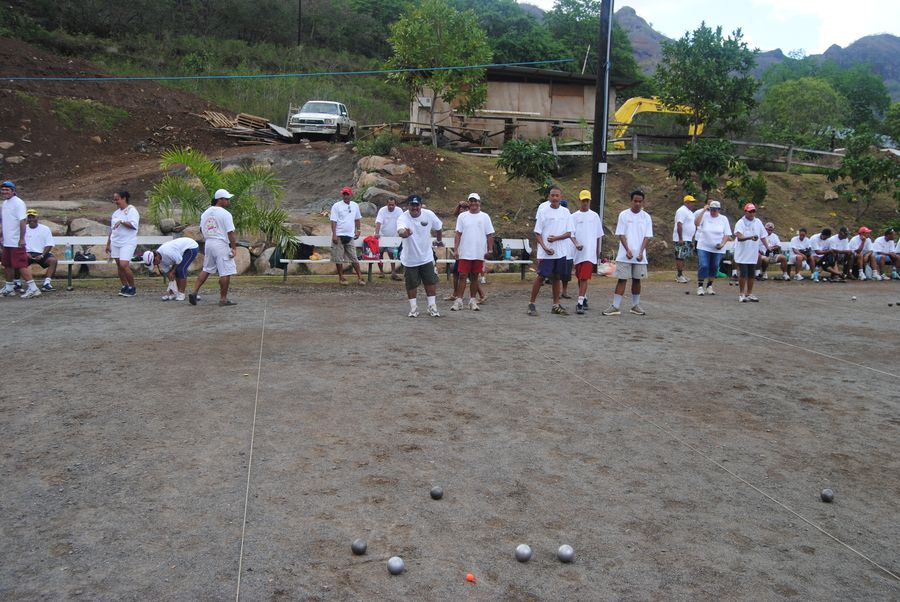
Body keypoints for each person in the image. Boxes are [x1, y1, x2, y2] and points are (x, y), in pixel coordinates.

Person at [602, 190, 653, 316]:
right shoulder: (624, 215)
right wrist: (628, 250)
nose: (637, 203)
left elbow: (647, 236)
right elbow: (621, 234)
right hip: (625, 255)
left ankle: (635, 305)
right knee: (622, 279)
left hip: (640, 256)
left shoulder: (646, 217)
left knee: (637, 280)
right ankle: (615, 306)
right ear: (631, 201)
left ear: (643, 202)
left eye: (640, 201)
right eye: (635, 201)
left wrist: (641, 252)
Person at [528, 186, 574, 316]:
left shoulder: (566, 212)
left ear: (561, 197)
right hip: (546, 252)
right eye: (552, 195)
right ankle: (531, 303)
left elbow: (569, 233)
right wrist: (544, 247)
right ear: (549, 197)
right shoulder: (543, 211)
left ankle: (556, 304)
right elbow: (537, 233)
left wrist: (556, 238)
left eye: (557, 196)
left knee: (557, 276)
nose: (554, 198)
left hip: (560, 252)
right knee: (541, 276)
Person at [189, 189, 238, 307]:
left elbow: (201, 229)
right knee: (225, 272)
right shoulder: (226, 214)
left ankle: (194, 292)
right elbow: (230, 232)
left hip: (209, 243)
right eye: (226, 199)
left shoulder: (205, 213)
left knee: (206, 268)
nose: (228, 201)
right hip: (220, 243)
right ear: (219, 199)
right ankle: (223, 299)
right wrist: (234, 247)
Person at [396, 194, 443, 317]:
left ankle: (432, 306)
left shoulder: (429, 214)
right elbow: (400, 231)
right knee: (411, 284)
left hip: (426, 256)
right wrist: (405, 233)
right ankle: (413, 308)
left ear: (421, 205)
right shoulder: (403, 217)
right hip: (410, 258)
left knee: (430, 282)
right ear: (408, 206)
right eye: (412, 205)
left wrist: (438, 240)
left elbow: (438, 227)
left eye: (417, 205)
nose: (415, 208)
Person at [451, 192, 494, 311]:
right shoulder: (462, 216)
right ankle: (458, 300)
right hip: (465, 251)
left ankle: (472, 300)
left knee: (475, 277)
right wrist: (456, 249)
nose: (473, 203)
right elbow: (458, 234)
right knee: (462, 275)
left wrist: (490, 249)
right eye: (471, 201)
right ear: (468, 203)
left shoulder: (485, 217)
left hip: (479, 251)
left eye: (476, 201)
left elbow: (489, 234)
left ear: (479, 202)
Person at [1, 181, 41, 298]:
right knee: (7, 264)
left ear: (13, 191)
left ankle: (33, 288)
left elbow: (22, 221)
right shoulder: (5, 203)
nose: (4, 192)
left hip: (16, 241)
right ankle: (9, 288)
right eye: (3, 190)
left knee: (20, 265)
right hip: (7, 241)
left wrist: (22, 238)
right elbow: (6, 222)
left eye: (7, 190)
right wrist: (2, 237)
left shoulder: (18, 203)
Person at [570, 190, 603, 315]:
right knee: (579, 276)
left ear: (590, 201)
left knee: (584, 277)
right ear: (580, 200)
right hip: (578, 253)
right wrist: (576, 243)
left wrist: (598, 251)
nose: (585, 203)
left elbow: (599, 235)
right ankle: (584, 298)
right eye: (583, 200)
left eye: (587, 201)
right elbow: (570, 234)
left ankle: (579, 303)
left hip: (589, 252)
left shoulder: (594, 216)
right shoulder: (574, 217)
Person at [142, 237, 200, 301]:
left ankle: (181, 293)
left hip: (191, 247)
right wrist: (172, 289)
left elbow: (179, 260)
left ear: (156, 256)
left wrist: (173, 270)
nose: (155, 264)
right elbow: (169, 274)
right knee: (174, 272)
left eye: (154, 262)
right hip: (180, 252)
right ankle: (176, 293)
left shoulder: (167, 252)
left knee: (181, 269)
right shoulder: (160, 262)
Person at [693, 199, 732, 296]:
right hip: (704, 245)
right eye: (711, 209)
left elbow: (727, 234)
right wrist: (703, 210)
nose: (713, 211)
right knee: (704, 265)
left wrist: (722, 244)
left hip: (717, 247)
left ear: (719, 210)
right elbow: (696, 223)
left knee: (714, 266)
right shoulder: (705, 216)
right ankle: (700, 286)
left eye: (715, 210)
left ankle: (709, 285)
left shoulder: (723, 219)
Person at [106, 190, 140, 297]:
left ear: (124, 198)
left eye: (117, 199)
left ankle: (132, 287)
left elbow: (134, 225)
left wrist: (122, 222)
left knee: (124, 264)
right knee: (119, 266)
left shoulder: (131, 210)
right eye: (115, 200)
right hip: (116, 242)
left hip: (127, 242)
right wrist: (108, 243)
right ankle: (125, 286)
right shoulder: (116, 213)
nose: (115, 201)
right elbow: (112, 229)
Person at [733, 203, 769, 302]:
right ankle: (741, 294)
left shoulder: (758, 222)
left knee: (751, 274)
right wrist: (750, 237)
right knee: (743, 273)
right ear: (745, 212)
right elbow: (739, 237)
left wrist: (767, 247)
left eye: (753, 211)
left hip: (753, 253)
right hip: (743, 253)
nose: (752, 213)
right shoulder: (740, 222)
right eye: (750, 211)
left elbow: (762, 236)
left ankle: (749, 293)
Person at [330, 186, 365, 286]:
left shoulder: (355, 205)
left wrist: (358, 230)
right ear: (342, 194)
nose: (346, 196)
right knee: (338, 258)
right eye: (344, 194)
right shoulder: (336, 206)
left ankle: (360, 277)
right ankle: (341, 277)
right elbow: (333, 221)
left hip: (350, 236)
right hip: (339, 235)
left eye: (347, 194)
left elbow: (357, 219)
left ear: (351, 195)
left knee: (354, 257)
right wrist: (334, 235)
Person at [24, 208, 58, 291]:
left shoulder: (45, 229)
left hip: (42, 253)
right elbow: (20, 243)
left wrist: (42, 255)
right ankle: (18, 283)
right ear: (27, 219)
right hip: (27, 253)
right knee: (17, 260)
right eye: (29, 217)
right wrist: (25, 253)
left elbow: (49, 244)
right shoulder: (23, 229)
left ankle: (47, 283)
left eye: (33, 217)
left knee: (53, 260)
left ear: (37, 218)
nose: (31, 219)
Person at [375, 196, 402, 280]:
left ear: (395, 204)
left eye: (392, 205)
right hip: (381, 235)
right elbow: (378, 222)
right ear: (387, 204)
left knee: (392, 255)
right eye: (389, 205)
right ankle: (381, 272)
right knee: (379, 254)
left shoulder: (399, 211)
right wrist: (376, 233)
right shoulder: (382, 210)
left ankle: (393, 272)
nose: (391, 206)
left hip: (393, 236)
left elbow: (402, 221)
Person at [672, 194, 697, 283]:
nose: (693, 204)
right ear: (686, 202)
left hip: (687, 238)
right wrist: (680, 238)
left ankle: (681, 274)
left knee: (683, 257)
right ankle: (679, 275)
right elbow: (679, 224)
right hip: (681, 238)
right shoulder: (681, 211)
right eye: (691, 202)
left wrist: (691, 239)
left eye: (693, 202)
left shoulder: (690, 212)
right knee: (679, 257)